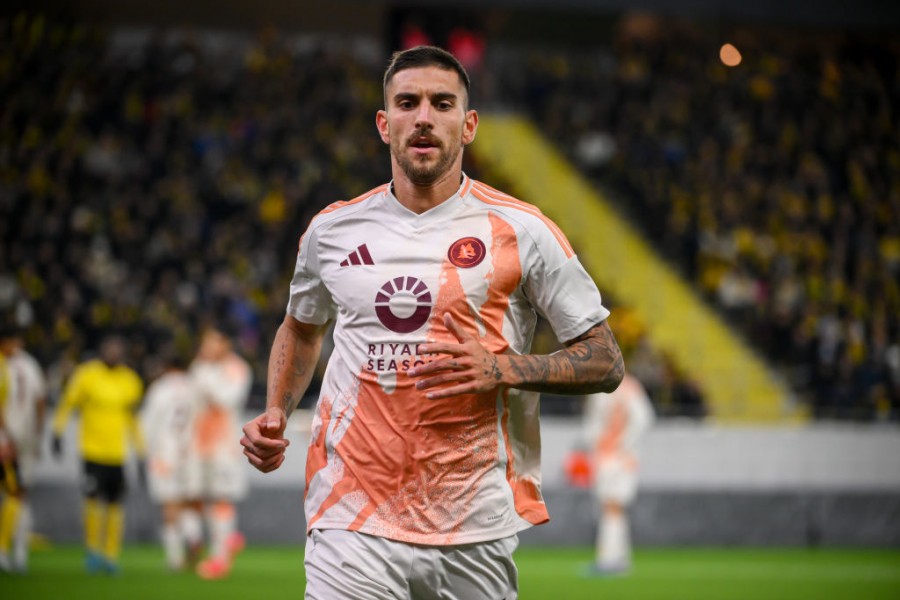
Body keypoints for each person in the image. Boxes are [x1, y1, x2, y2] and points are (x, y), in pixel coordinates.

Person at [241, 45, 624, 599]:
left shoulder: (524, 230)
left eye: (442, 104)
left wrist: (505, 368)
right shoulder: (331, 231)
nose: (423, 117)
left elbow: (606, 359)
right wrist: (277, 409)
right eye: (407, 103)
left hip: (473, 523)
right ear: (384, 124)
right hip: (351, 515)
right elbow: (301, 327)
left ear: (468, 125)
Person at [51, 334, 144, 574]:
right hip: (92, 451)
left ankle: (110, 555)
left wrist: (141, 451)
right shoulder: (87, 374)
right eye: (110, 349)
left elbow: (132, 419)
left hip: (117, 453)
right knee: (92, 501)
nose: (114, 354)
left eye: (118, 350)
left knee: (115, 505)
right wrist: (57, 432)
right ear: (102, 350)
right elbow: (68, 403)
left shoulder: (130, 380)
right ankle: (92, 550)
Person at [184, 325, 252, 580]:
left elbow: (227, 399)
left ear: (225, 344)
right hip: (198, 444)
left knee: (221, 498)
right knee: (197, 498)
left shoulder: (236, 368)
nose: (207, 347)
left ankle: (220, 558)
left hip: (224, 445)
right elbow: (191, 403)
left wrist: (207, 382)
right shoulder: (199, 367)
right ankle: (226, 540)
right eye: (205, 342)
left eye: (212, 342)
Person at [582, 372, 654, 575]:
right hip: (611, 457)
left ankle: (610, 560)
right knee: (612, 508)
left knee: (611, 507)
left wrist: (622, 445)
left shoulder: (623, 387)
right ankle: (618, 558)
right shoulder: (621, 386)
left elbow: (643, 419)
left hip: (616, 458)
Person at [139, 350, 198, 572]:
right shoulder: (194, 387)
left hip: (164, 455)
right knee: (187, 502)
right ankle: (193, 536)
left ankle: (175, 558)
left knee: (169, 504)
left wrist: (145, 452)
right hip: (190, 454)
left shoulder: (160, 389)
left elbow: (147, 424)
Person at [0, 324, 47, 573]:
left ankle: (14, 551)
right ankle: (13, 551)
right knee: (18, 494)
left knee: (17, 494)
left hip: (13, 438)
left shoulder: (21, 364)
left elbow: (40, 402)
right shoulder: (28, 364)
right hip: (14, 437)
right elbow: (40, 402)